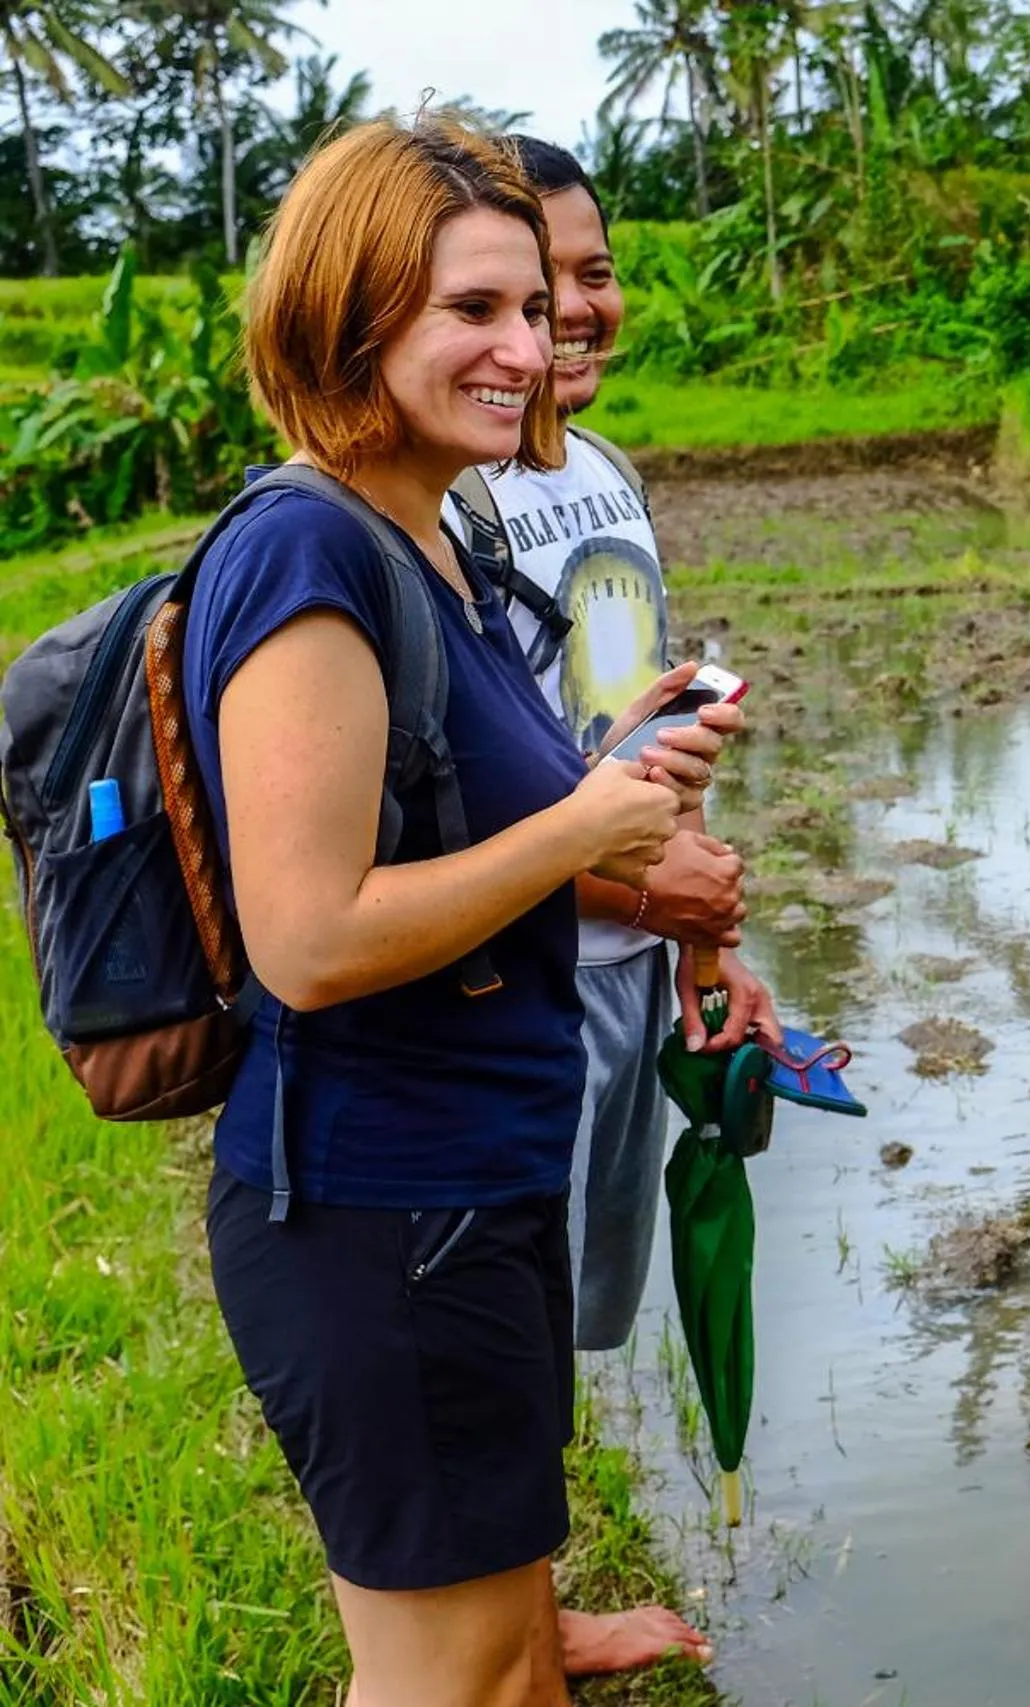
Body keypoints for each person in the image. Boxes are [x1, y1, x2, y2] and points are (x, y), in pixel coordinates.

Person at [189, 115, 737, 1707]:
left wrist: (624, 782)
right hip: (383, 1209)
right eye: (473, 310)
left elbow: (463, 806)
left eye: (534, 306)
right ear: (351, 316)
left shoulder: (428, 532)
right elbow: (309, 936)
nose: (527, 344)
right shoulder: (309, 550)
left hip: (458, 1192)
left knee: (495, 1662)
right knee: (463, 1683)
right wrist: (583, 826)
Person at [442, 133, 778, 1678]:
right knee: (496, 1314)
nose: (569, 313)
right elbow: (441, 799)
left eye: (592, 274)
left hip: (627, 961)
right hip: (508, 972)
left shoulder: (608, 476)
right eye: (527, 286)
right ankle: (511, 1627)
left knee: (567, 1300)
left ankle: (531, 1598)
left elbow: (642, 739)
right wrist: (633, 876)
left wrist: (700, 927)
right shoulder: (450, 502)